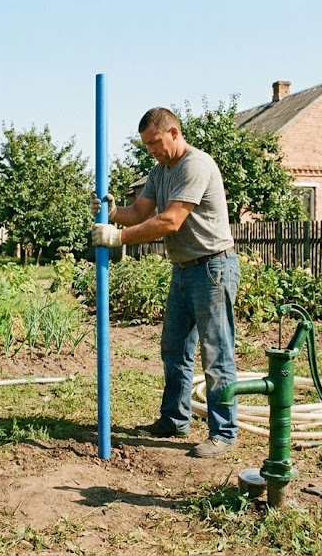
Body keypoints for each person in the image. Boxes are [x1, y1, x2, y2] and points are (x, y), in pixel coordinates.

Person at [90, 107, 240, 458]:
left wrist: (117, 237)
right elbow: (140, 213)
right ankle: (174, 420)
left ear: (173, 133)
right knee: (174, 349)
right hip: (184, 269)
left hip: (212, 268)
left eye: (155, 142)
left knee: (216, 353)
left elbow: (170, 221)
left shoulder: (195, 165)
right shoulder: (160, 170)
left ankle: (224, 432)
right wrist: (111, 212)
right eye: (146, 145)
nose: (151, 150)